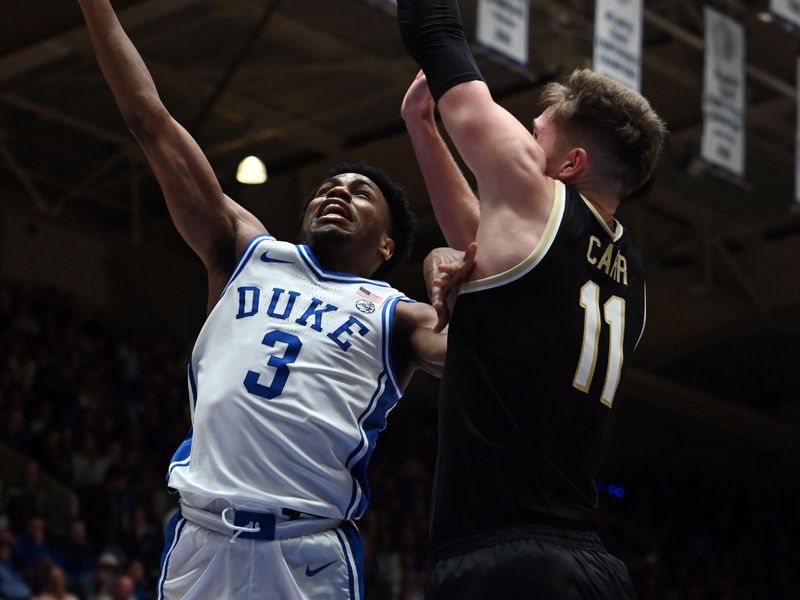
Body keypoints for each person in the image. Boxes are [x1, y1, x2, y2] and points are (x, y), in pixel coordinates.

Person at [75, 1, 451, 598]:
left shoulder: (399, 314)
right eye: (330, 186)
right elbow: (150, 121)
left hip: (306, 555)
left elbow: (489, 357)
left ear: (386, 244)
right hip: (202, 540)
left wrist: (451, 268)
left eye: (360, 193)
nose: (338, 192)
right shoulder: (244, 250)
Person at [398, 1, 667, 598]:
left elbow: (431, 28)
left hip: (503, 559)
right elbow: (478, 242)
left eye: (534, 133)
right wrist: (422, 127)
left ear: (571, 163)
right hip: (589, 563)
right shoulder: (633, 279)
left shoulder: (535, 191)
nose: (520, 139)